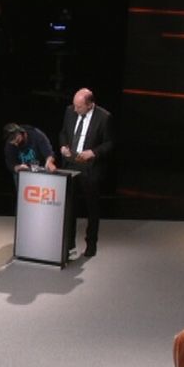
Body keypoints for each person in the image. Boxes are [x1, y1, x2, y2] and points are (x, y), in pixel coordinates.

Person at [57, 88, 115, 258]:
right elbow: (63, 133)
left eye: (79, 107)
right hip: (70, 164)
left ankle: (91, 244)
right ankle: (68, 245)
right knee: (69, 207)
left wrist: (93, 153)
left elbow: (110, 143)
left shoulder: (104, 118)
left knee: (92, 208)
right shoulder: (69, 111)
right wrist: (63, 146)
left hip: (90, 168)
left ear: (90, 105)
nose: (75, 110)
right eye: (75, 106)